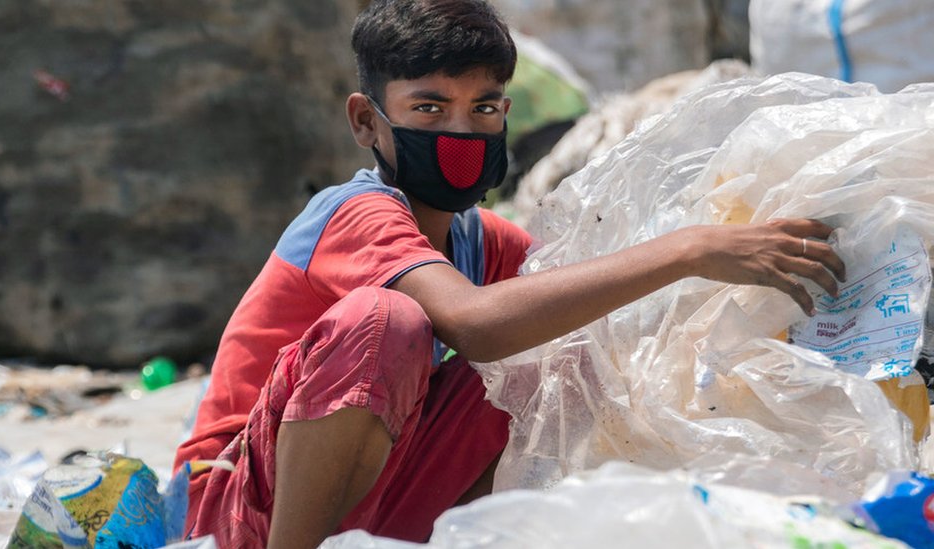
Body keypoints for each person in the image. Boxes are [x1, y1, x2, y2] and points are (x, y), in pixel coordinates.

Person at [173, 1, 846, 547]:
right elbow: (475, 323)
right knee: (386, 321)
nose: (461, 132)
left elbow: (587, 300)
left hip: (371, 502)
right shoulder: (354, 214)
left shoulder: (483, 239)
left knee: (570, 346)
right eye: (429, 109)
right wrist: (689, 247)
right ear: (365, 121)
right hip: (234, 507)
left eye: (484, 109)